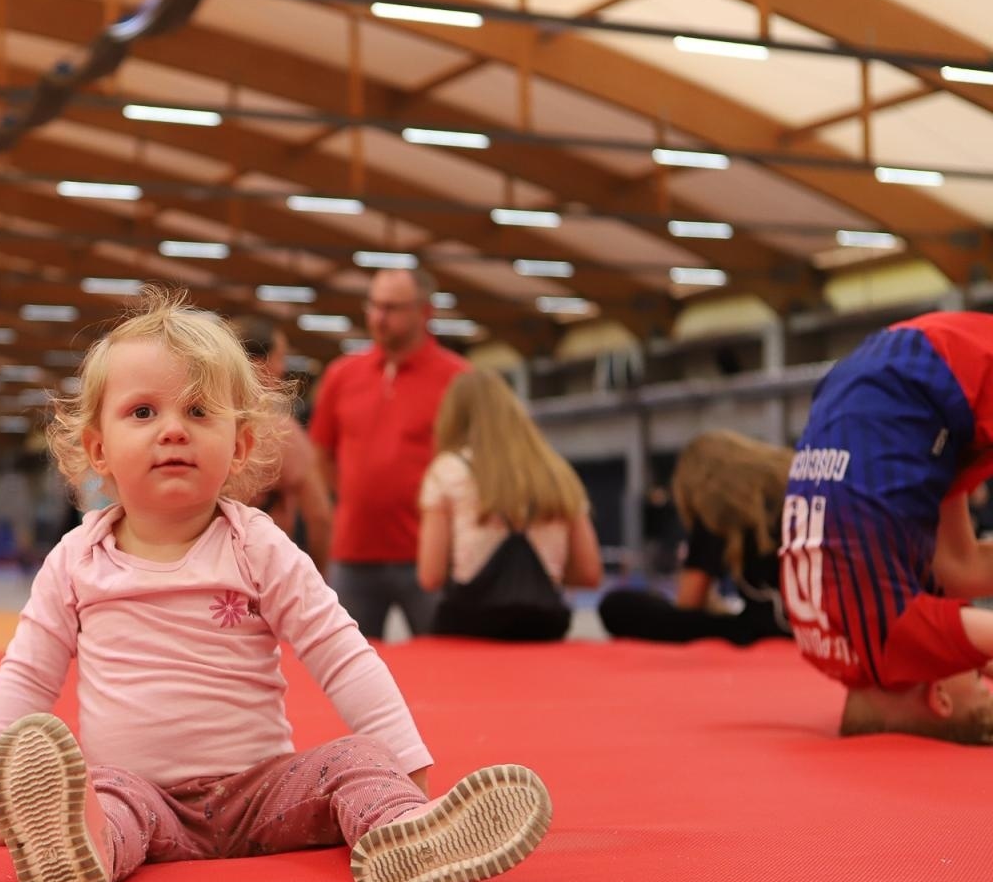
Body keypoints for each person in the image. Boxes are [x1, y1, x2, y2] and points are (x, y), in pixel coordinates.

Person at [0, 288, 552, 882]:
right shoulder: (76, 559)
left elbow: (339, 652)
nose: (173, 429)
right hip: (141, 797)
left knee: (356, 762)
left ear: (242, 446)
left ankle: (409, 832)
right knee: (97, 796)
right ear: (98, 449)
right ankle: (77, 855)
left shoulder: (255, 543)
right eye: (143, 412)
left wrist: (408, 769)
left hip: (262, 793)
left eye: (199, 411)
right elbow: (28, 673)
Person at [781, 311, 993, 744]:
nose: (980, 670)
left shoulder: (895, 643)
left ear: (940, 697)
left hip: (940, 375)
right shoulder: (821, 648)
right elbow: (959, 577)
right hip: (869, 382)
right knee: (961, 573)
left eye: (980, 682)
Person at [311, 268, 468, 638]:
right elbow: (321, 454)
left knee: (447, 666)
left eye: (392, 308)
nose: (379, 318)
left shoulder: (458, 379)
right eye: (374, 306)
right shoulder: (341, 375)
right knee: (347, 667)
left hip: (429, 558)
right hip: (353, 553)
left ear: (425, 312)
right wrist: (355, 497)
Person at [417, 369, 602, 641]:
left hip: (470, 624)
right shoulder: (556, 471)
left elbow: (430, 575)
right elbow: (589, 573)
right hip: (544, 625)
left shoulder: (448, 470)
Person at [599, 431, 793, 646]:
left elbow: (689, 603)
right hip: (812, 624)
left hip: (769, 627)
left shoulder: (718, 506)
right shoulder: (786, 486)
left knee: (617, 606)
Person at [234, 315, 333, 572]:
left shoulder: (196, 422)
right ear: (258, 364)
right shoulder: (279, 430)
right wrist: (319, 578)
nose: (283, 369)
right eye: (280, 358)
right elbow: (319, 515)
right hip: (262, 568)